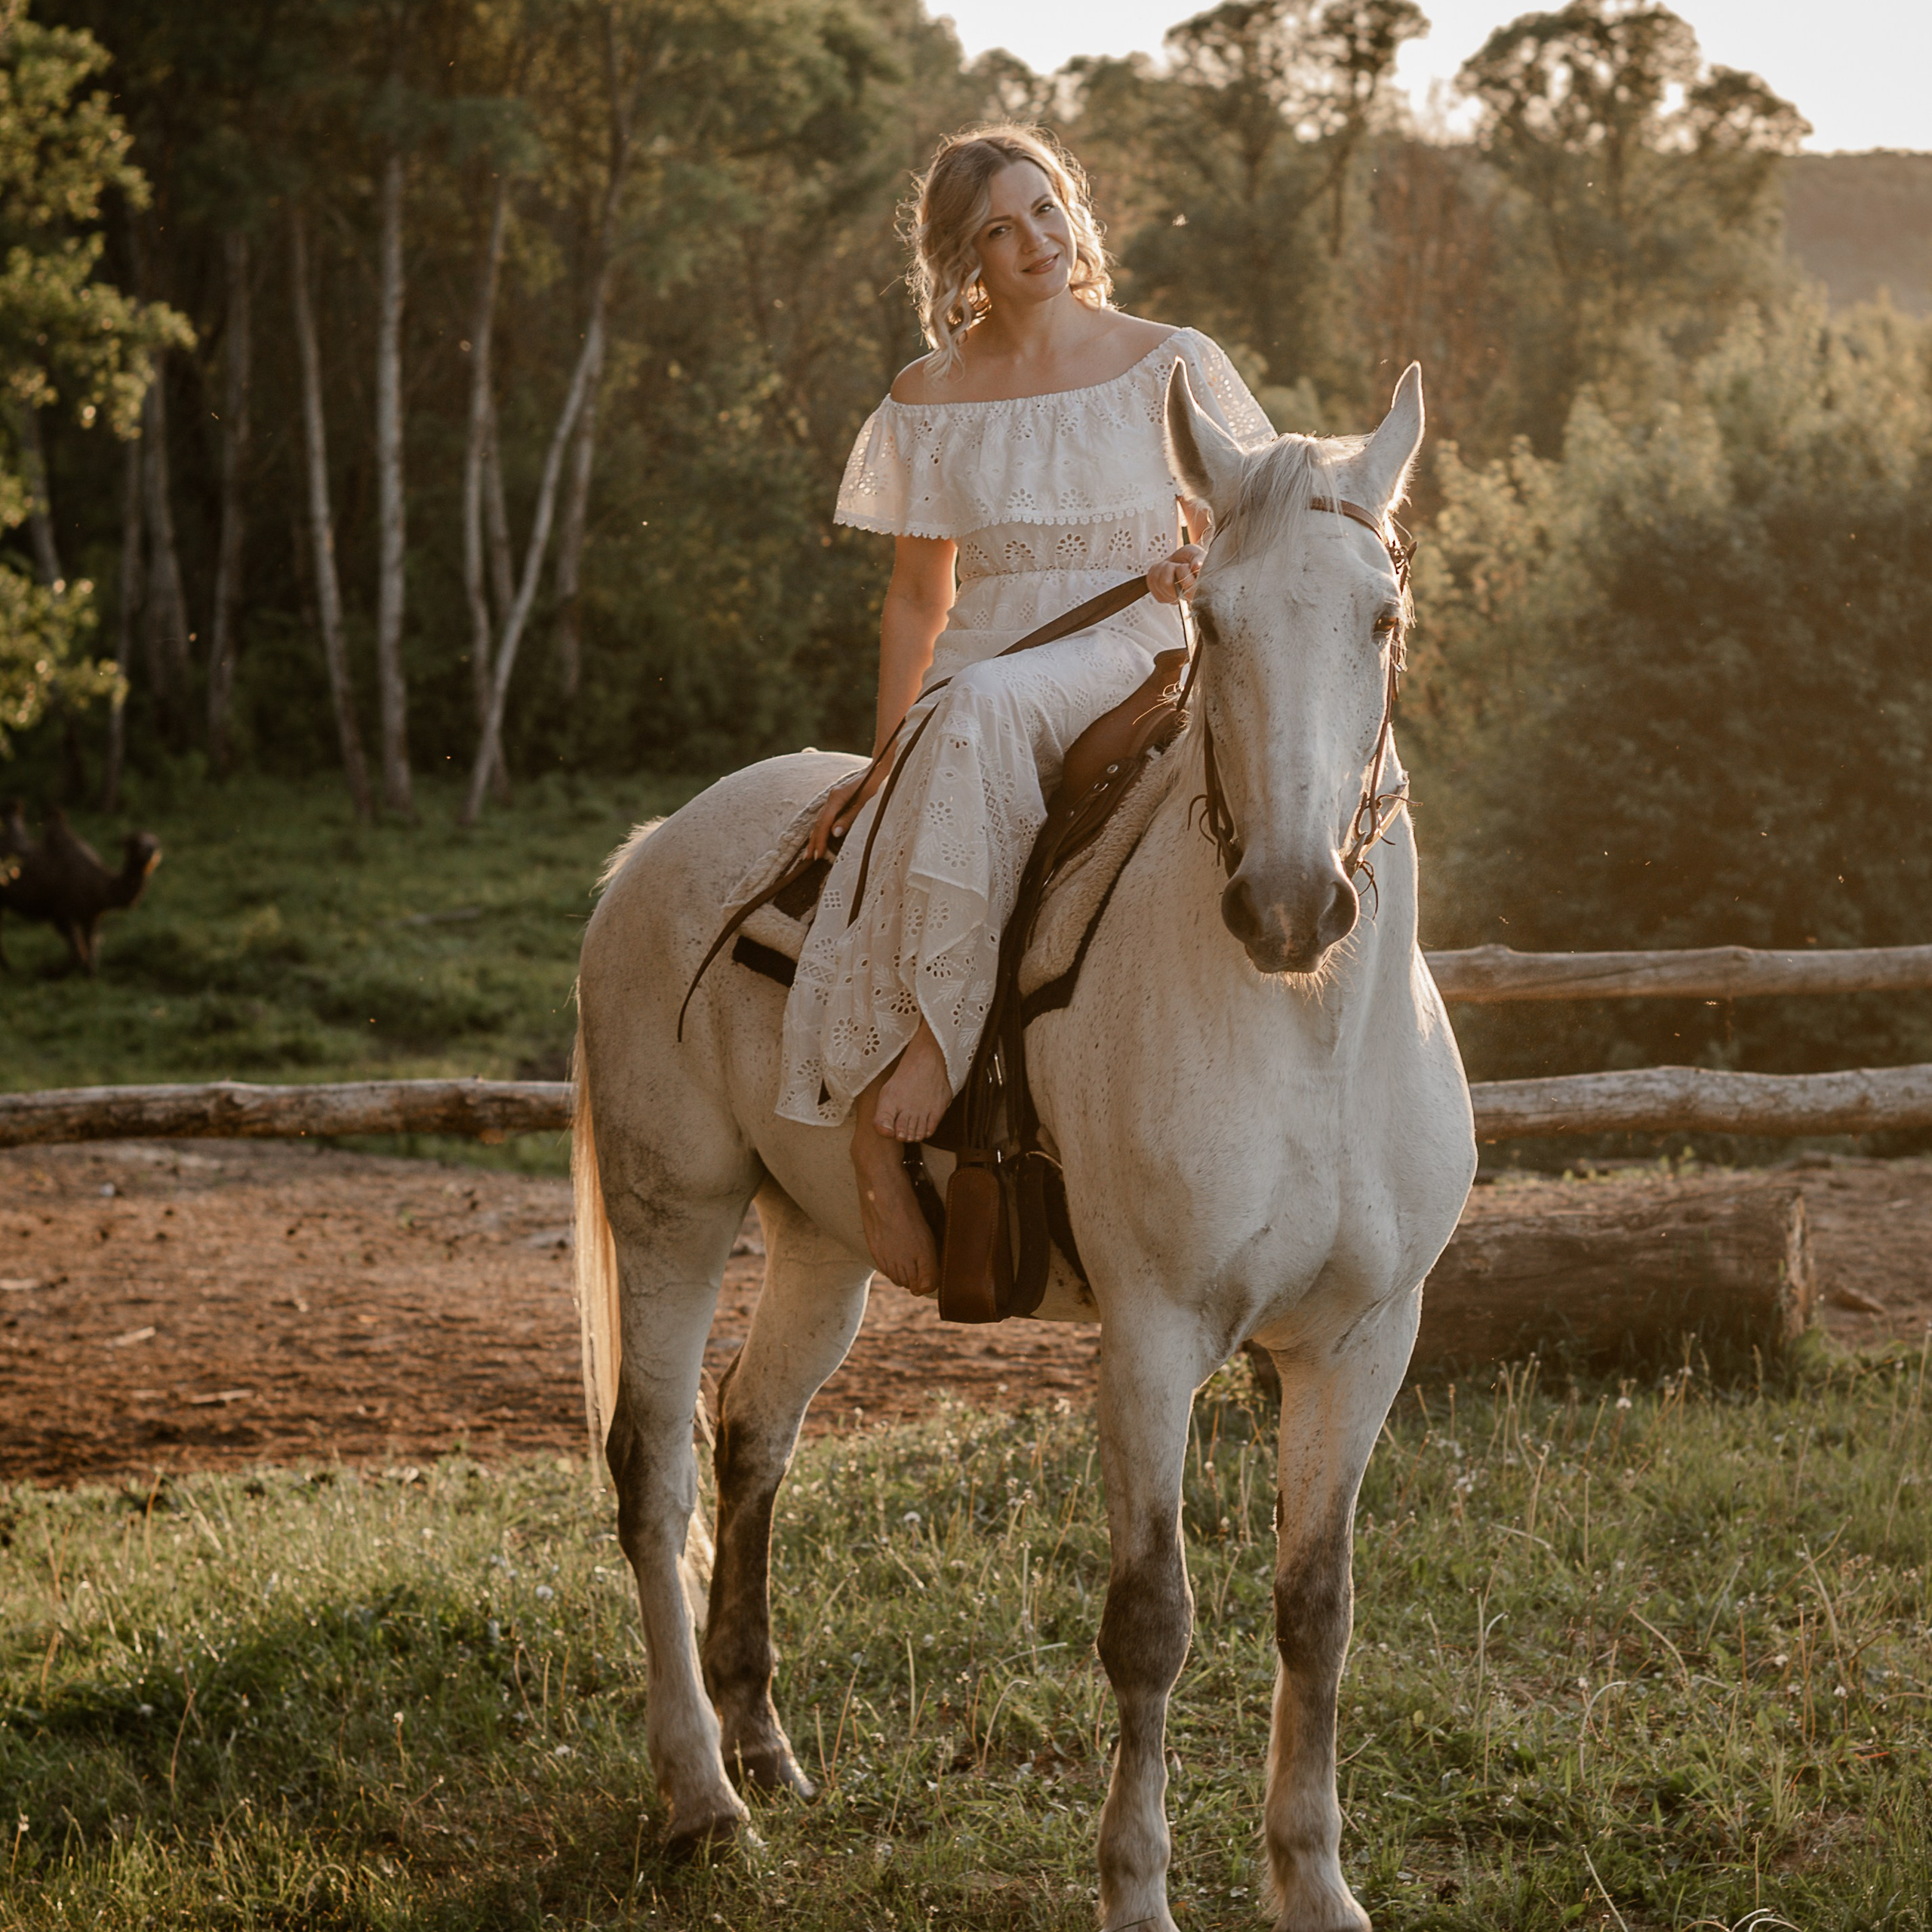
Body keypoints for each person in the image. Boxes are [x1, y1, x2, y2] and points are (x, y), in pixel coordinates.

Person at [776, 124, 1273, 1296]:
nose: (1035, 240)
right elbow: (916, 598)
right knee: (972, 714)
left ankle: (969, 1056)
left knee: (992, 711)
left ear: (1073, 213)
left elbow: (1248, 529)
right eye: (1000, 228)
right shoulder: (930, 396)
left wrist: (1195, 569)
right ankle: (890, 1116)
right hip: (990, 661)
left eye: (1045, 209)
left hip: (1137, 647)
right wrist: (884, 747)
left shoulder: (1169, 361)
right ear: (965, 260)